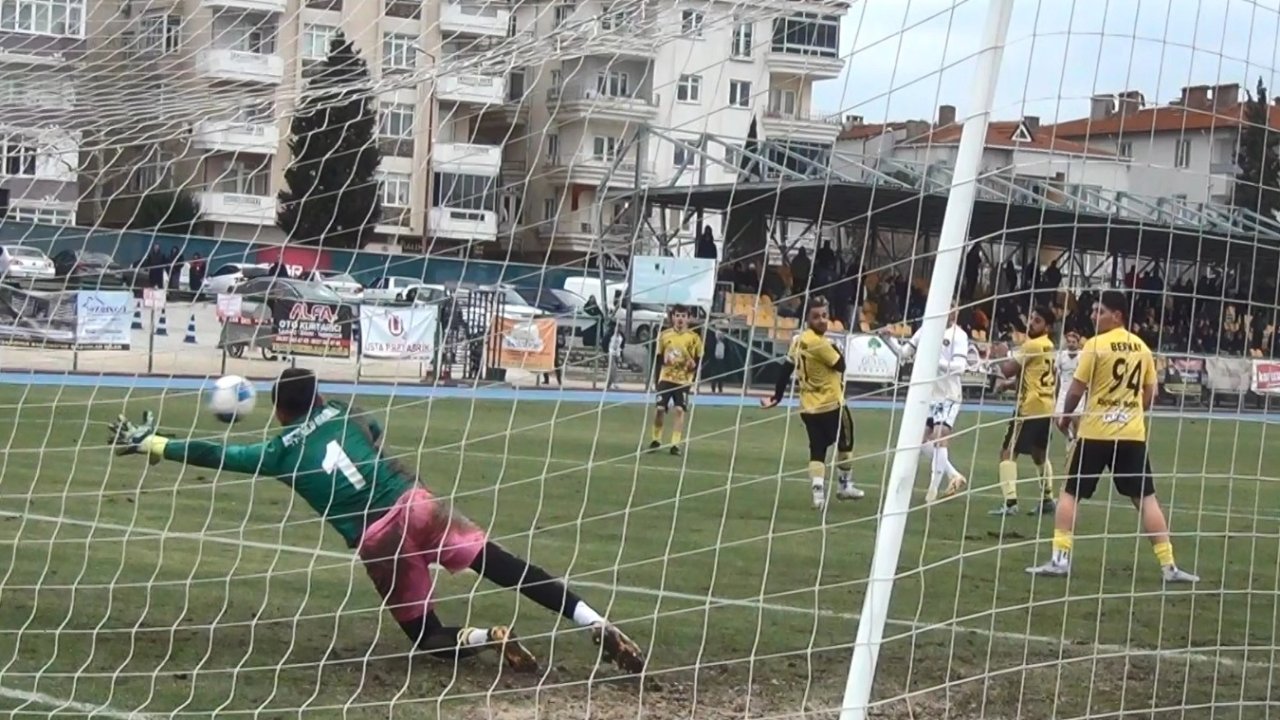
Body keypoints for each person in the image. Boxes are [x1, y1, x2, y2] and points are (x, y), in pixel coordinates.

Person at [107, 368, 647, 672]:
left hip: (377, 540)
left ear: (276, 411)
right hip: (416, 503)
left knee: (425, 636)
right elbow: (374, 430)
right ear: (319, 397)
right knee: (502, 563)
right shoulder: (344, 411)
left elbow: (217, 455)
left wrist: (154, 442)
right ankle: (592, 621)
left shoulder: (276, 452)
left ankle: (489, 634)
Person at [1026, 291, 1198, 582]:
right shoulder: (1142, 347)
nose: (1094, 316)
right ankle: (1169, 566)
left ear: (1117, 315)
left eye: (1099, 311)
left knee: (1071, 493)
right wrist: (1131, 412)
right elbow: (1150, 393)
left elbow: (1077, 389)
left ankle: (1060, 559)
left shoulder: (1095, 345)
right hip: (1131, 434)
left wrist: (1065, 416)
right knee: (1145, 498)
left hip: (1095, 432)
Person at [760, 296, 865, 509]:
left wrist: (777, 396)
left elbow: (786, 368)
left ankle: (818, 495)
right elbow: (841, 365)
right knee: (846, 444)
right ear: (807, 319)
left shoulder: (798, 340)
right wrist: (834, 347)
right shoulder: (820, 344)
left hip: (808, 407)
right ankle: (844, 486)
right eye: (816, 317)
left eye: (825, 316)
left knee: (817, 450)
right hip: (832, 404)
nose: (822, 321)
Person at [879, 303, 973, 503]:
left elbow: (959, 367)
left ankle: (932, 491)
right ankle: (954, 475)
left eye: (954, 307)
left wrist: (931, 361)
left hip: (949, 394)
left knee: (939, 436)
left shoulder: (959, 336)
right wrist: (888, 339)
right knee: (918, 441)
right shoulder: (925, 330)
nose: (951, 311)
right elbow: (905, 354)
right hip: (929, 395)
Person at [986, 306, 1058, 517]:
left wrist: (999, 355)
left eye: (1037, 321)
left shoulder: (1032, 345)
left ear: (1048, 326)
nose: (1031, 323)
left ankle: (1010, 503)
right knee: (1039, 454)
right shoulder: (1049, 346)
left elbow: (1008, 369)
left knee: (1007, 452)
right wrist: (1009, 387)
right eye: (1031, 319)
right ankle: (1047, 499)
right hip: (1046, 408)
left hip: (1029, 408)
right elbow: (1031, 376)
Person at [648, 306, 703, 456]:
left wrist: (692, 370)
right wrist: (656, 380)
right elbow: (658, 360)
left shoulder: (694, 338)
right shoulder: (664, 335)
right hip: (666, 378)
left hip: (683, 381)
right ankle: (656, 439)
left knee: (679, 410)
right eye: (677, 315)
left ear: (688, 318)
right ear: (672, 317)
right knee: (659, 409)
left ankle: (675, 444)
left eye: (683, 316)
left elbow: (698, 361)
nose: (680, 318)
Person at [1053, 329, 1085, 440]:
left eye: (1073, 342)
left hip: (1077, 389)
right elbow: (1056, 373)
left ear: (1078, 343)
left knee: (1075, 418)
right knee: (1058, 420)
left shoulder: (1082, 356)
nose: (1071, 344)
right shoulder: (1061, 355)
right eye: (1069, 342)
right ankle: (1069, 436)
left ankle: (1076, 440)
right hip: (1063, 390)